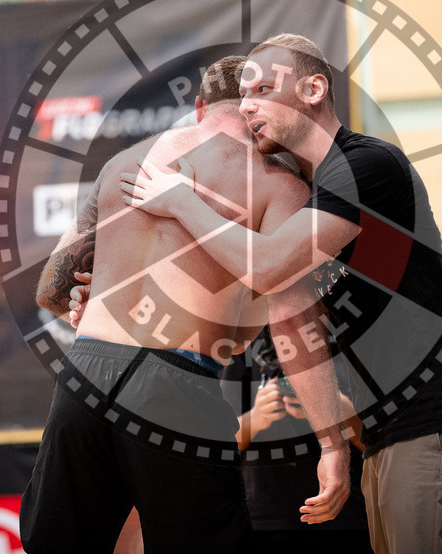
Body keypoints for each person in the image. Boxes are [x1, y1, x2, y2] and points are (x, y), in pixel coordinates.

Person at [120, 33, 442, 553]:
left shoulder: (366, 167)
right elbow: (288, 311)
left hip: (430, 420)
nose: (248, 104)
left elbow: (269, 266)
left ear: (314, 88)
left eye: (264, 89)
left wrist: (183, 201)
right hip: (382, 431)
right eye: (244, 95)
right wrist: (332, 445)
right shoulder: (307, 188)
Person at [20, 56, 350, 553]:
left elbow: (50, 288)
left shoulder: (123, 164)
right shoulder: (278, 184)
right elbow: (289, 315)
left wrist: (90, 296)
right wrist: (331, 441)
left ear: (199, 108)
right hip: (173, 380)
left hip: (85, 371)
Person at [220, 326, 374, 554]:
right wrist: (256, 417)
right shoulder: (246, 341)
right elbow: (221, 443)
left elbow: (379, 441)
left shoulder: (344, 333)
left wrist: (335, 409)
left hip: (347, 513)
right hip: (267, 517)